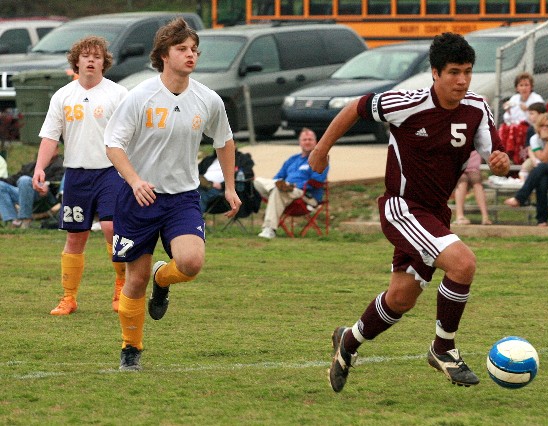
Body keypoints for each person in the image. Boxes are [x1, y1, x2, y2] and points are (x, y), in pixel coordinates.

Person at [308, 32, 510, 392]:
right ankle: (443, 348)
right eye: (453, 72)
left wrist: (501, 163)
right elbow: (355, 107)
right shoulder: (407, 103)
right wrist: (321, 151)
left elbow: (496, 157)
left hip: (435, 214)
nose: (462, 80)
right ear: (435, 73)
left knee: (400, 298)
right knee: (463, 264)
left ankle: (347, 341)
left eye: (467, 71)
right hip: (402, 207)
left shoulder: (477, 108)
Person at [104, 18, 240, 371]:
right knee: (135, 279)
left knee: (191, 263)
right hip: (140, 197)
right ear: (164, 55)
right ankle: (130, 349)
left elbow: (224, 141)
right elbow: (113, 144)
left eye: (194, 49)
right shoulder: (140, 96)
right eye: (182, 49)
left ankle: (162, 278)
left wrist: (229, 186)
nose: (191, 55)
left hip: (182, 198)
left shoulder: (207, 99)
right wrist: (135, 181)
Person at [32, 36, 128, 315]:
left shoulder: (119, 94)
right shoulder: (63, 96)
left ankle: (122, 287)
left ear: (104, 62)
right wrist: (39, 167)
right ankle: (68, 298)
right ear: (76, 61)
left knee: (111, 228)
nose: (91, 61)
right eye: (86, 56)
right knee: (76, 236)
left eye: (97, 56)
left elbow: (132, 135)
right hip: (76, 174)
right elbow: (50, 137)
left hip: (111, 172)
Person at [254, 128, 329, 239]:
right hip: (286, 192)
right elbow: (278, 177)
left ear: (316, 142)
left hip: (305, 195)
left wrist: (294, 186)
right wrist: (280, 184)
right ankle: (280, 188)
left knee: (278, 191)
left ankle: (269, 229)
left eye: (310, 139)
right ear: (300, 142)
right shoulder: (292, 159)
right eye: (304, 140)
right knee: (257, 182)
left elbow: (317, 181)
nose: (307, 142)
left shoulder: (320, 159)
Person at [504, 113, 548, 226]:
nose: (545, 129)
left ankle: (520, 198)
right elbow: (543, 159)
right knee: (541, 181)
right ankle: (542, 220)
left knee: (541, 167)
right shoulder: (534, 139)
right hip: (544, 171)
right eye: (542, 126)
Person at [0, 147, 64, 228]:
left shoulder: (61, 165)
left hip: (46, 196)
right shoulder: (31, 166)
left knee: (24, 180)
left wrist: (46, 184)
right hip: (25, 194)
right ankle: (13, 220)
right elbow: (14, 179)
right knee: (1, 185)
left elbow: (60, 182)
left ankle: (25, 219)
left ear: (57, 150)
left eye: (50, 148)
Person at [500, 72, 544, 165]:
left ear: (531, 87)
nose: (524, 88)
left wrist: (527, 110)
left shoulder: (537, 98)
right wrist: (508, 111)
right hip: (515, 125)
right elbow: (508, 119)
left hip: (531, 126)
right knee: (503, 128)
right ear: (517, 88)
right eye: (521, 85)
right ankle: (505, 155)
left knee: (516, 128)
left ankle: (518, 157)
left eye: (526, 85)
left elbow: (539, 117)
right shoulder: (514, 98)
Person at [453, 150, 492, 225]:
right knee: (468, 183)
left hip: (466, 167)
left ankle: (460, 216)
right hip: (468, 168)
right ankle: (485, 216)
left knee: (470, 183)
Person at [519, 102, 547, 181]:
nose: (529, 116)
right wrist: (534, 159)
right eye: (529, 114)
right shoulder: (531, 129)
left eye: (532, 113)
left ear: (540, 114)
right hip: (535, 156)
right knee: (524, 168)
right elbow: (529, 148)